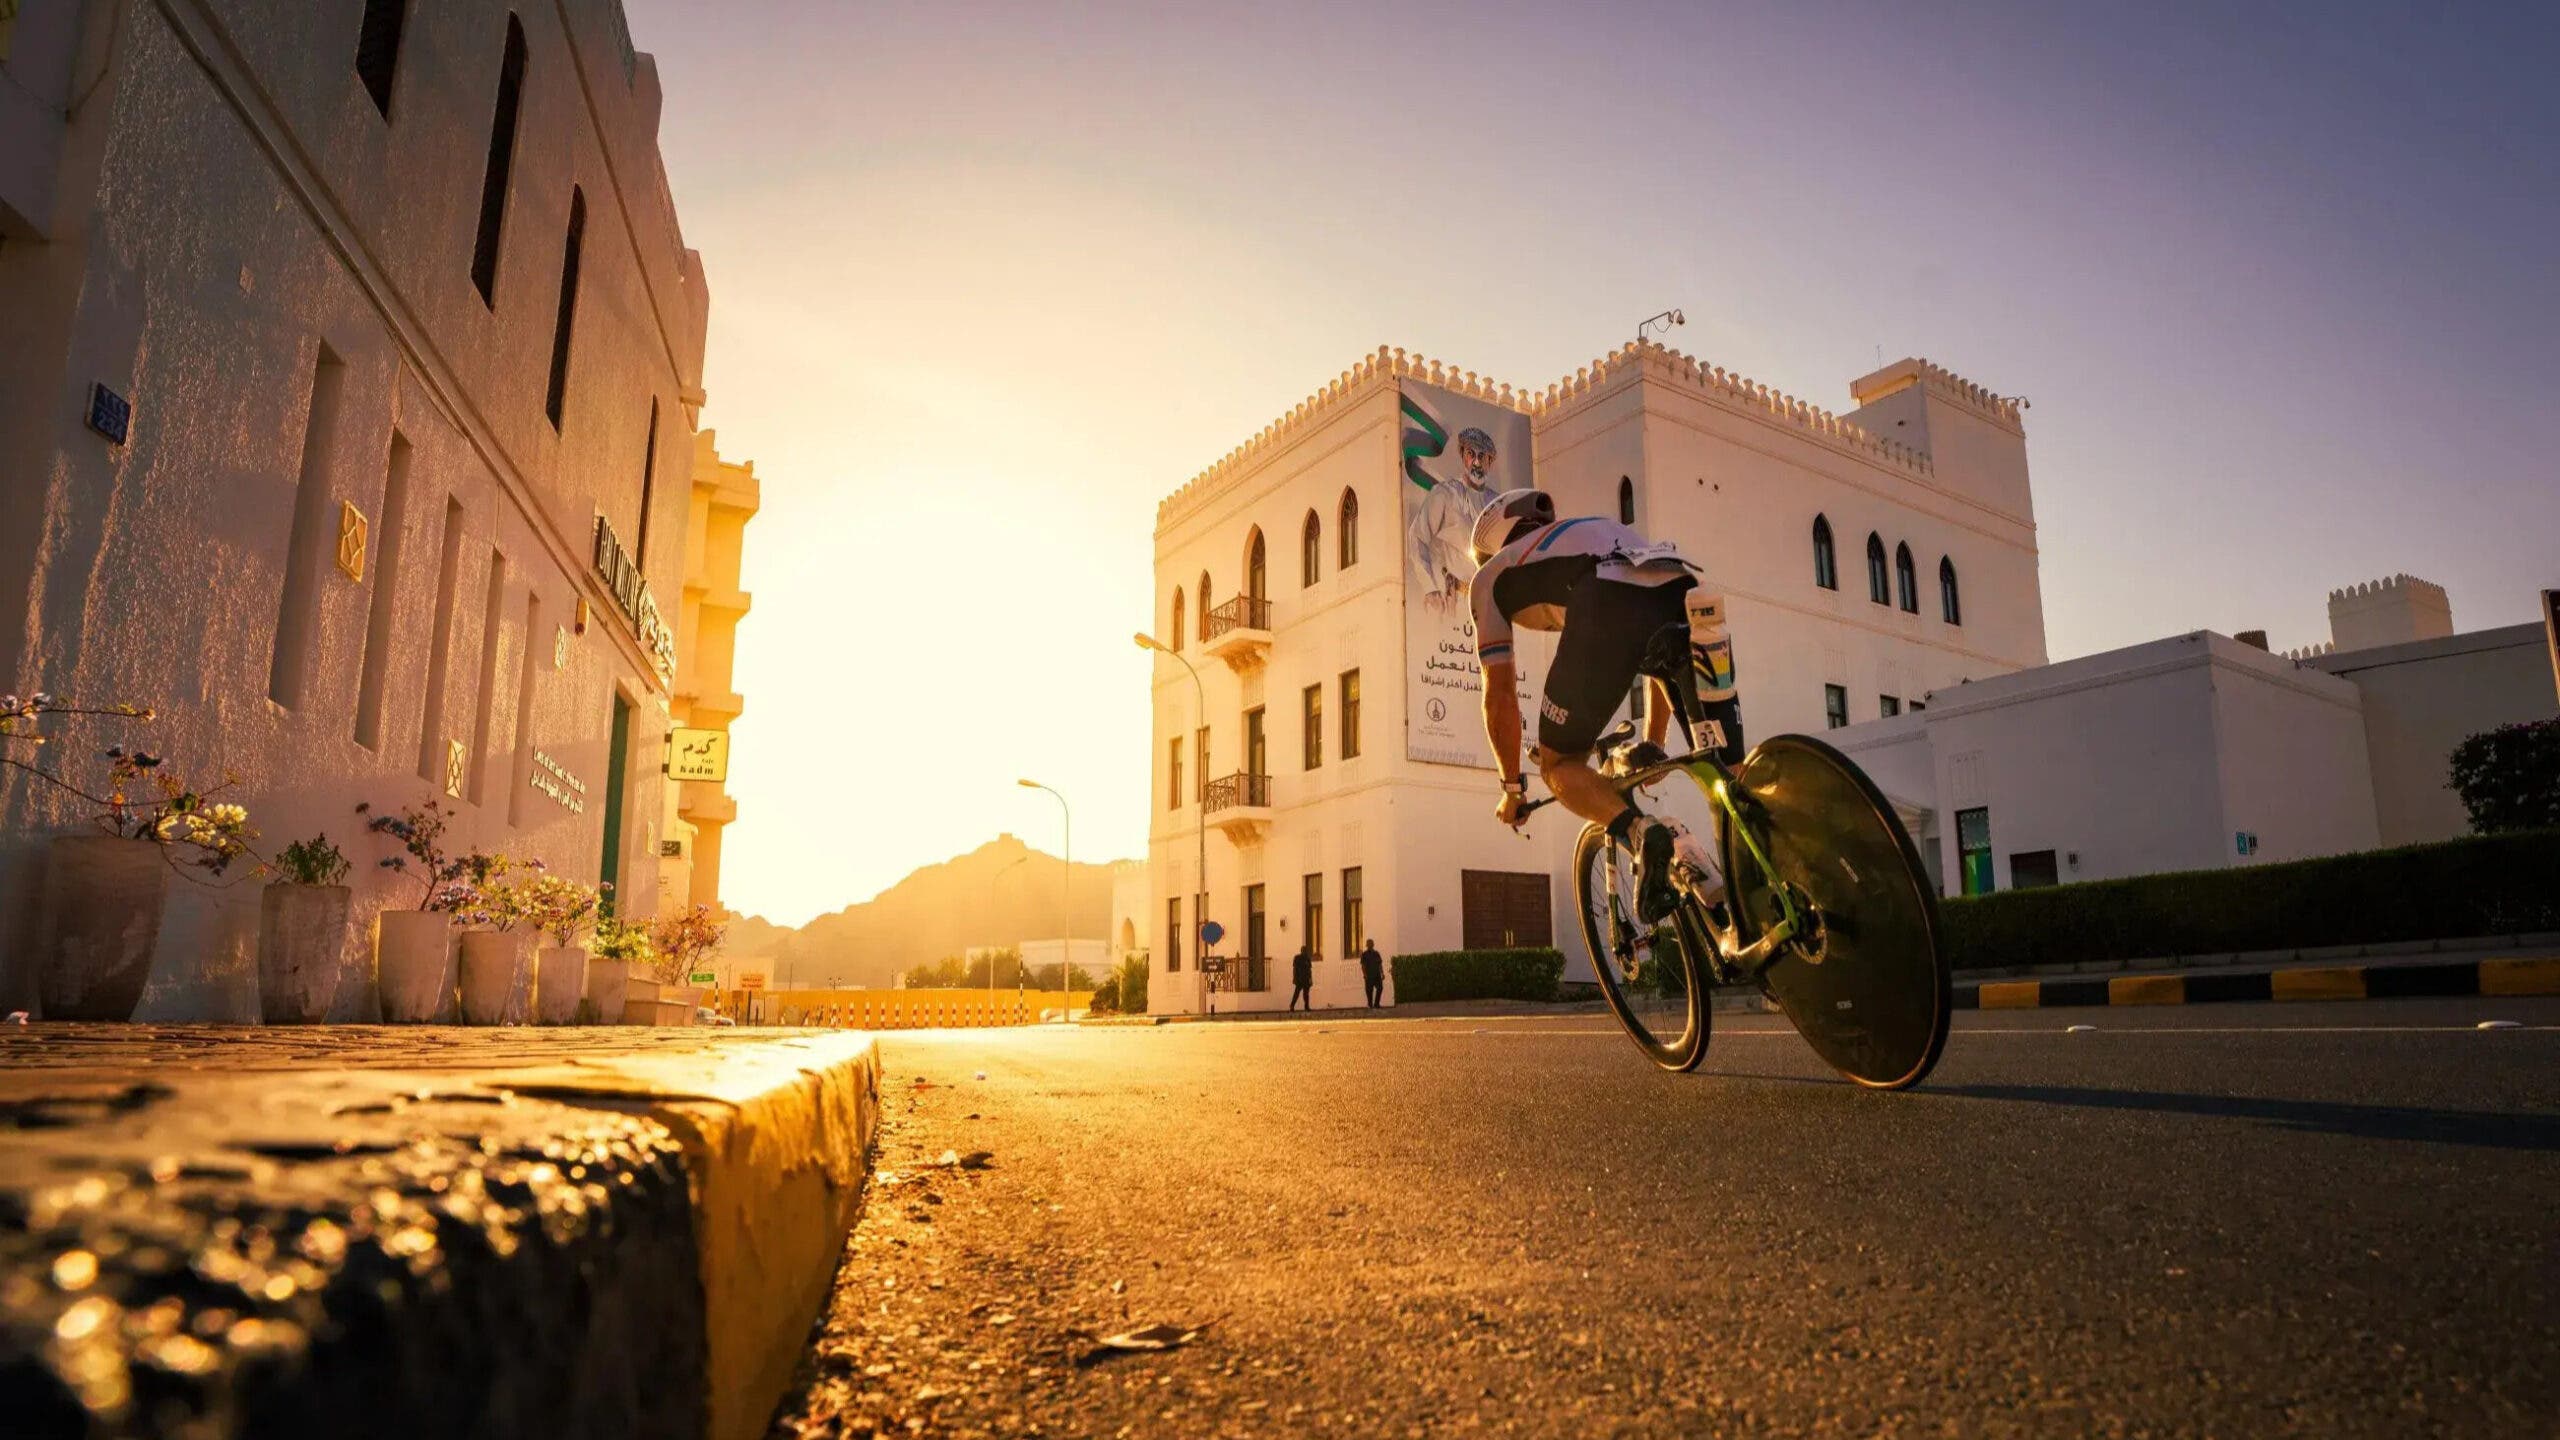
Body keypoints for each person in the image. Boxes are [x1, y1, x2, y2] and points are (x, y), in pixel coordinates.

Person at [1468, 488, 1735, 924]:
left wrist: (1513, 788)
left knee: (1559, 766)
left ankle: (1642, 832)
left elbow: (1498, 695)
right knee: (1728, 771)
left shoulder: (1492, 575)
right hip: (1685, 588)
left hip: (1606, 600)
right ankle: (1761, 890)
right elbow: (1649, 645)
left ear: (1492, 542)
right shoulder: (1593, 532)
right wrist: (1653, 742)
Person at [1408, 426, 1503, 603]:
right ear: (1462, 456)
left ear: (1490, 462)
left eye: (1482, 456)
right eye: (1470, 454)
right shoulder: (1445, 494)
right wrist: (1430, 588)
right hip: (1455, 599)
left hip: (1491, 602)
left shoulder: (1498, 504)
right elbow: (1417, 537)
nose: (1476, 462)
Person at [1288, 942, 1315, 1011]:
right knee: (1296, 994)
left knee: (1306, 995)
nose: (1305, 952)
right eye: (1304, 950)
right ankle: (1292, 1006)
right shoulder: (1297, 958)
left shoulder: (1307, 958)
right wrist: (1295, 978)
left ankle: (1306, 1007)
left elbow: (1309, 970)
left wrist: (1310, 979)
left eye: (1305, 951)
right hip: (1299, 979)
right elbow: (1295, 969)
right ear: (1301, 951)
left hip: (1305, 979)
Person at [1359, 940, 1385, 1008]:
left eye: (1371, 944)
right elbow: (1363, 966)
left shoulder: (1376, 953)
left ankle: (1376, 1004)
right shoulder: (1364, 954)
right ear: (1367, 945)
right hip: (1369, 976)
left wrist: (1382, 973)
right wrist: (1364, 974)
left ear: (1373, 945)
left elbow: (1380, 964)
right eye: (1369, 944)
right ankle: (1370, 1004)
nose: (1370, 945)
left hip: (1377, 975)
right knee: (1369, 991)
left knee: (1380, 988)